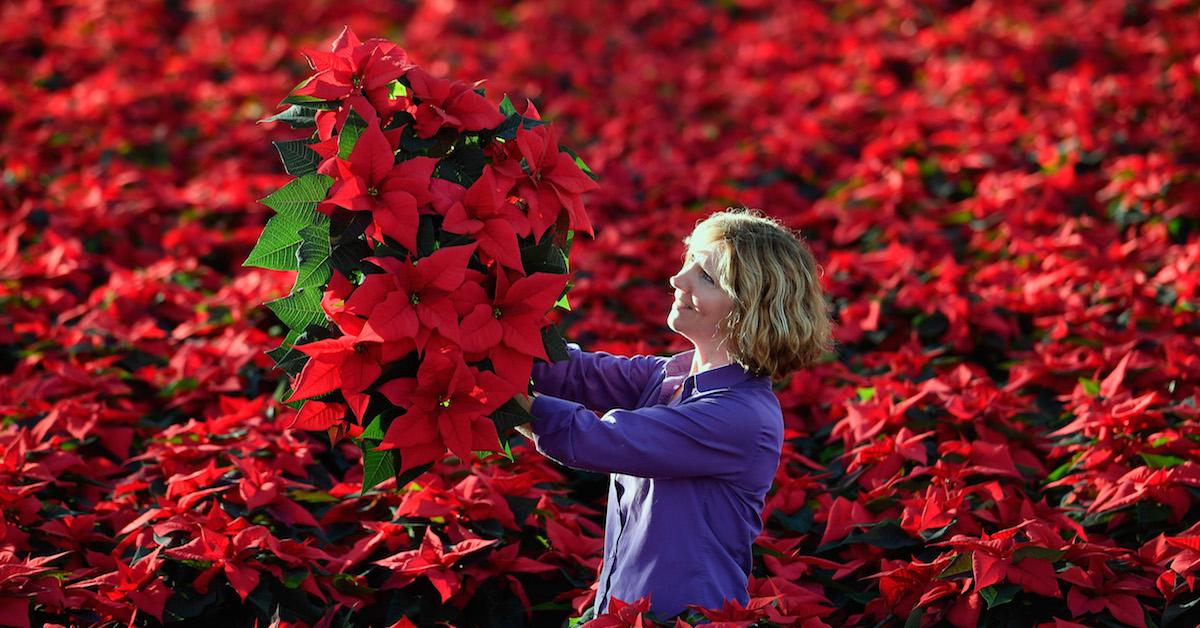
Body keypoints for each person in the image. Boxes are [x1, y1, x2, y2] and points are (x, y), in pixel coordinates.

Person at [512, 207, 834, 620]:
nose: (677, 280)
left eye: (705, 277)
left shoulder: (740, 417)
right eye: (688, 263)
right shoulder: (671, 376)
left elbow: (596, 438)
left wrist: (495, 399)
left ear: (748, 311)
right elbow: (575, 371)